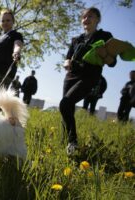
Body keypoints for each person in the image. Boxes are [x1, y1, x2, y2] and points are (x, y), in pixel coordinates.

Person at [59, 7, 117, 155]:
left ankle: (73, 142)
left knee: (65, 103)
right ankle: (65, 141)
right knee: (66, 108)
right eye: (84, 17)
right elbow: (68, 56)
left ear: (97, 19)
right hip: (71, 75)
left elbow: (112, 63)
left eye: (90, 16)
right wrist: (66, 63)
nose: (86, 19)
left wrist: (104, 54)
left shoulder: (104, 36)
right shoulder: (76, 39)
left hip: (89, 76)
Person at [0, 9, 24, 97]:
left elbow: (17, 44)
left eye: (8, 20)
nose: (5, 22)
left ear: (13, 22)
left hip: (3, 73)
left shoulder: (16, 35)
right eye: (3, 20)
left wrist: (16, 52)